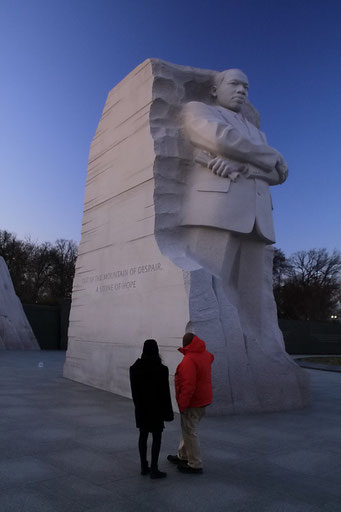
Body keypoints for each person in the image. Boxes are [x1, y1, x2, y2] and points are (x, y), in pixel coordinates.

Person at [179, 68, 289, 338]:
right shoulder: (199, 110)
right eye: (235, 84)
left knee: (255, 301)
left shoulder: (256, 134)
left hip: (258, 218)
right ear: (215, 89)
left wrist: (243, 163)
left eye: (246, 87)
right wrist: (270, 155)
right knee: (210, 293)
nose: (242, 91)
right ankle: (216, 353)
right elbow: (220, 138)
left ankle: (257, 354)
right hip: (216, 210)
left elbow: (279, 173)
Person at [168, 332, 214, 474]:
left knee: (190, 430)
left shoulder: (189, 360)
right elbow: (211, 358)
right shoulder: (205, 354)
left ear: (186, 344)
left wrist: (183, 404)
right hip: (204, 399)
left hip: (193, 402)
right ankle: (183, 455)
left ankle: (195, 463)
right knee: (188, 429)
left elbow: (188, 386)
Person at [130, 339, 173, 479]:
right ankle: (154, 468)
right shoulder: (162, 369)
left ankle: (144, 466)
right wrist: (168, 413)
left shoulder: (134, 369)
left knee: (142, 437)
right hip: (156, 410)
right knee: (156, 438)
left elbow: (134, 393)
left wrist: (138, 406)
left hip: (142, 409)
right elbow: (165, 394)